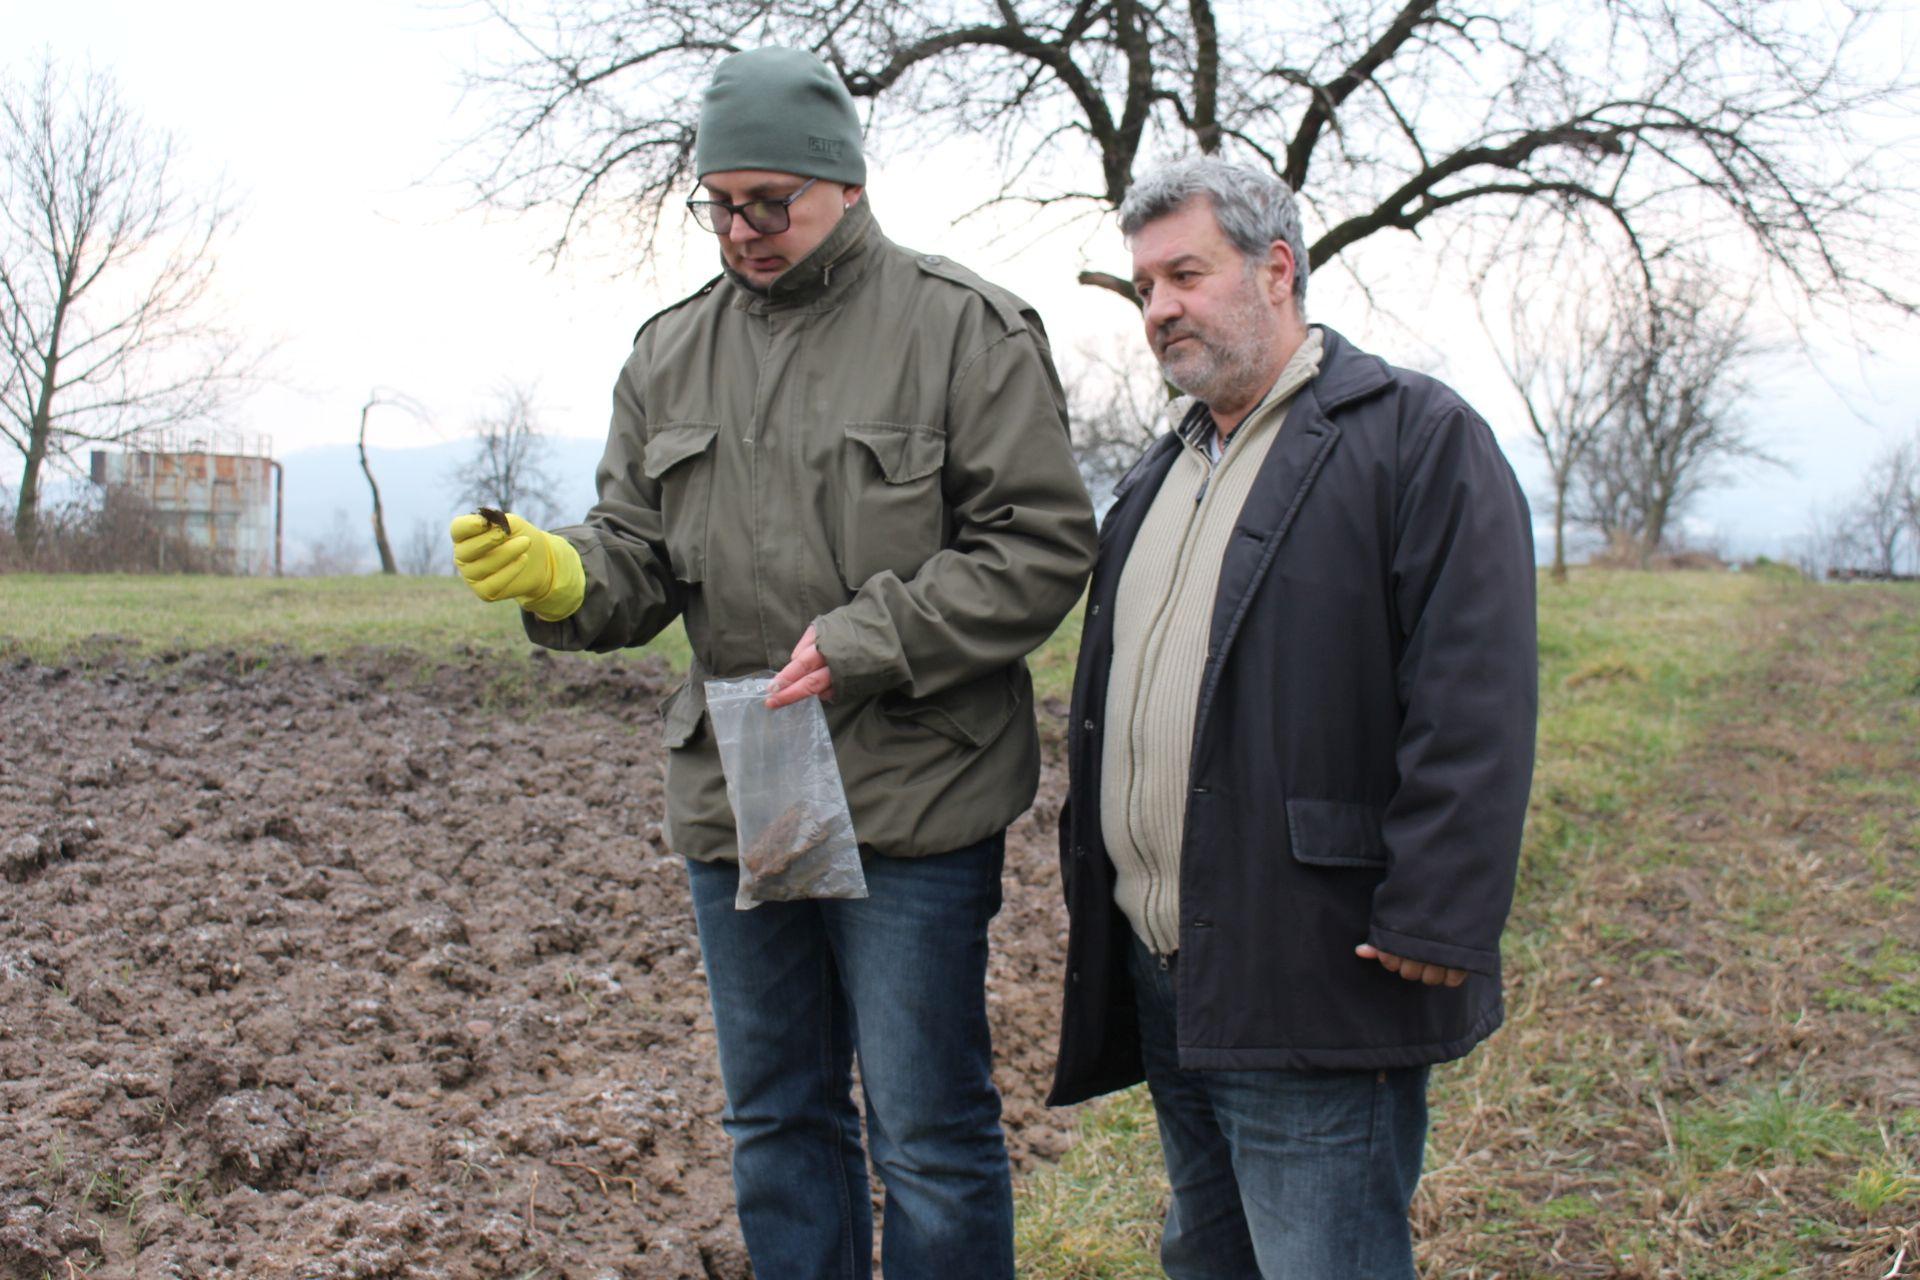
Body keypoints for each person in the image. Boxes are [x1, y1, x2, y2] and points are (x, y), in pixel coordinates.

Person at [449, 47, 1096, 1280]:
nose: (741, 229)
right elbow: (639, 552)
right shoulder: (671, 352)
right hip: (741, 792)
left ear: (842, 185)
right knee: (775, 1117)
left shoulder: (963, 330)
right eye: (719, 202)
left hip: (914, 791)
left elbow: (1044, 543)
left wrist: (868, 638)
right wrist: (566, 576)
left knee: (929, 1132)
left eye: (769, 202)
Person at [1048, 157, 1538, 1278]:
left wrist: (1438, 915)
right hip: (1171, 965)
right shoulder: (1160, 473)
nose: (1160, 306)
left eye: (1185, 273)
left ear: (1276, 270)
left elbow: (1478, 692)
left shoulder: (1415, 437)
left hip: (1318, 961)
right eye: (1144, 287)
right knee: (1209, 1252)